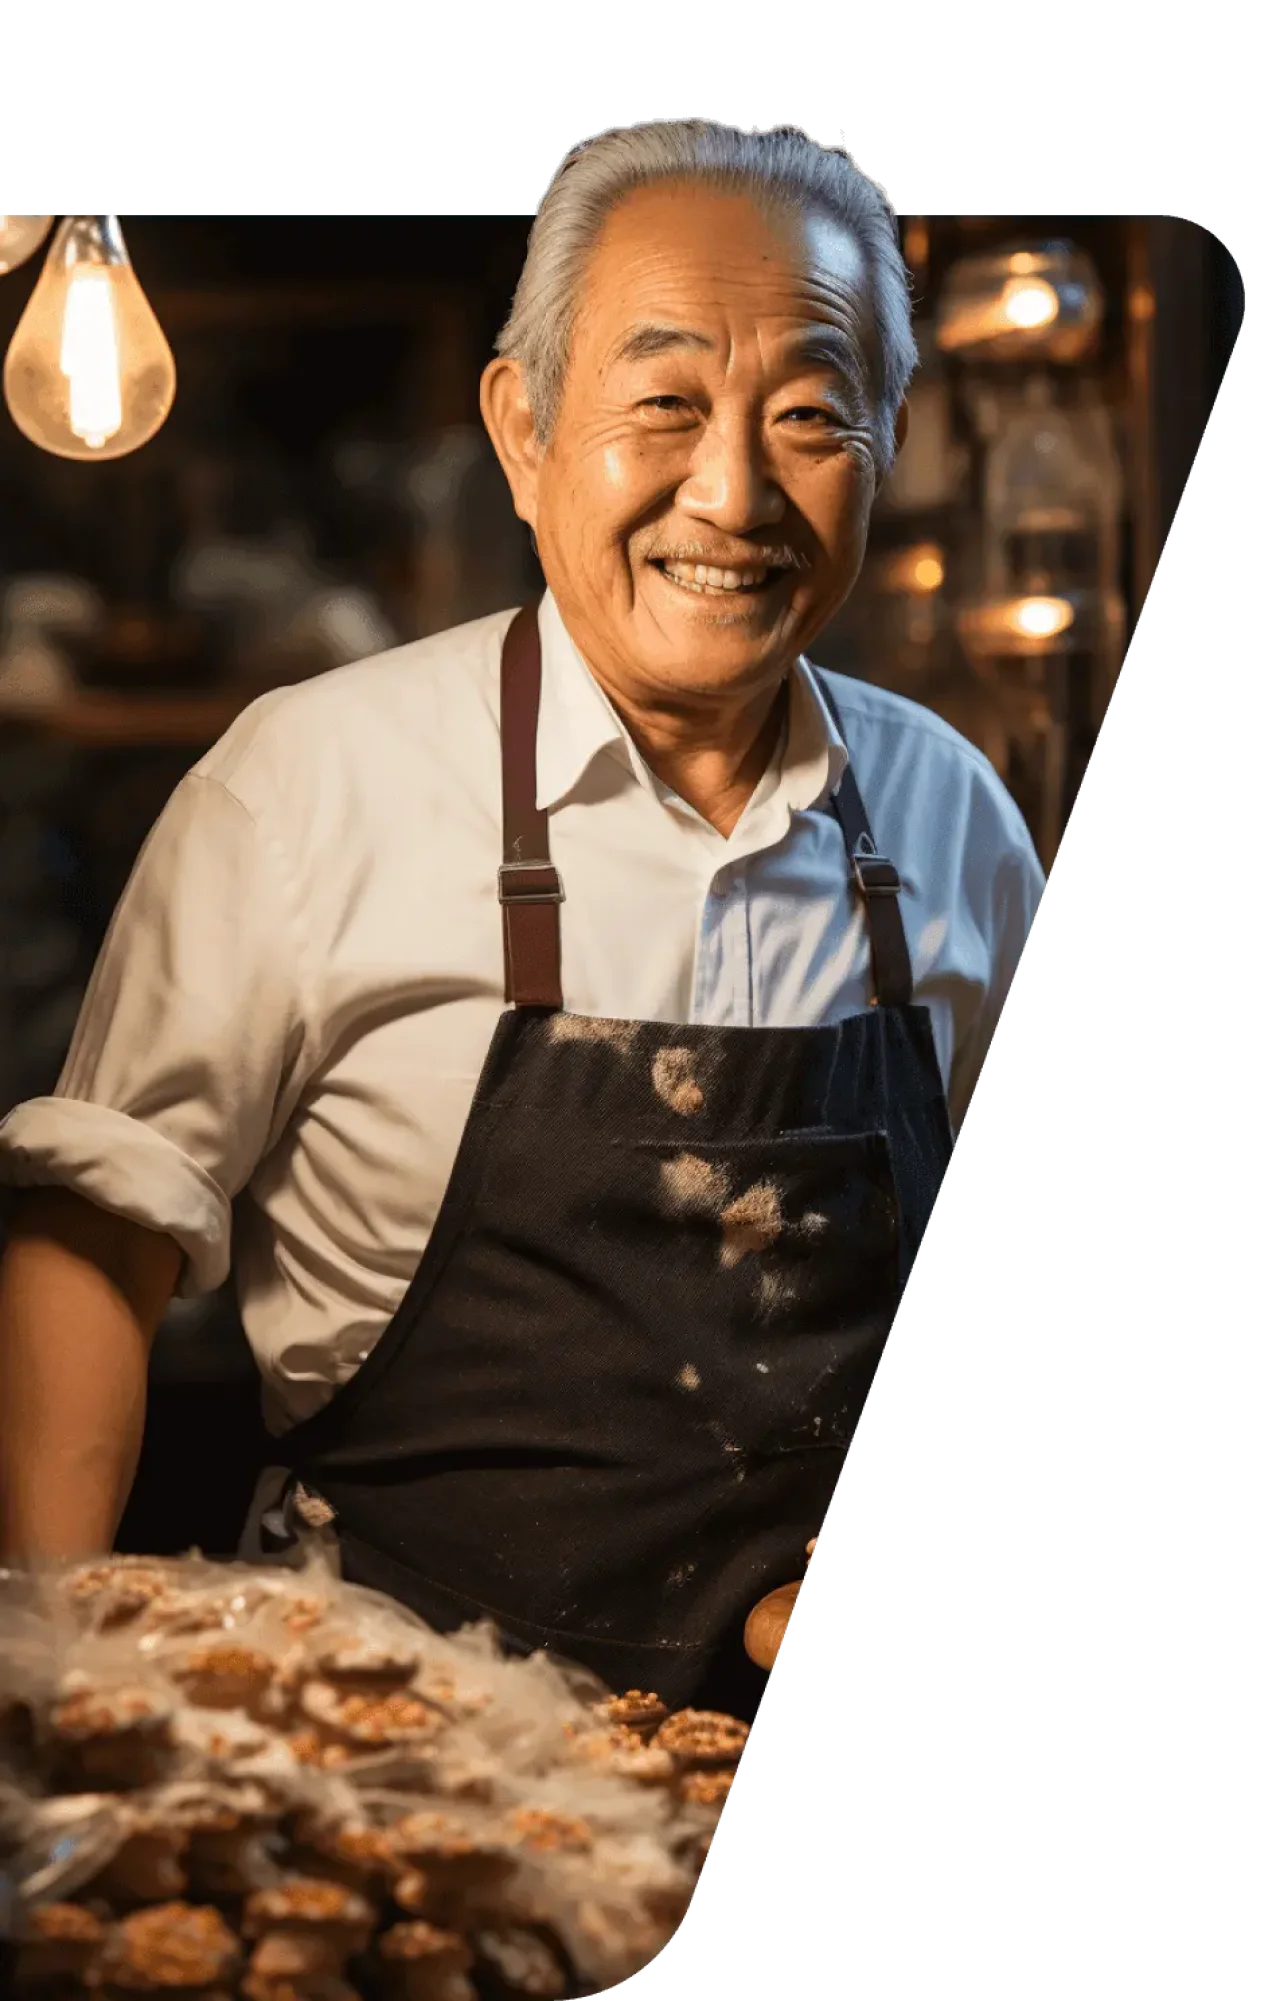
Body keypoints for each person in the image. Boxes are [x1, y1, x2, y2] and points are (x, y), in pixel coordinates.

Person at [0, 120, 1045, 1720]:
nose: (735, 491)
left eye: (813, 416)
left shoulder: (949, 813)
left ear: (888, 439)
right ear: (525, 425)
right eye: (666, 404)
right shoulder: (310, 782)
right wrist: (54, 1675)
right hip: (397, 1756)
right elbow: (99, 1230)